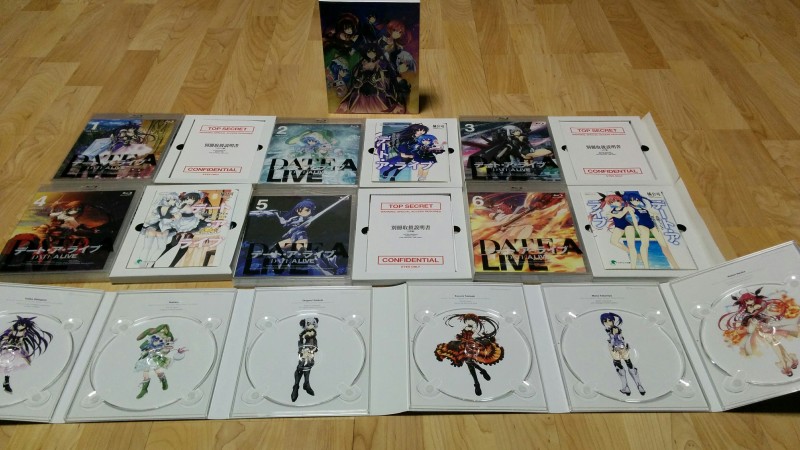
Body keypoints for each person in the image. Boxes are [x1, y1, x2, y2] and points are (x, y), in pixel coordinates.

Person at [719, 288, 800, 376]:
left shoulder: (760, 307)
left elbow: (768, 315)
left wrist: (768, 313)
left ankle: (786, 361)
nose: (749, 301)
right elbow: (749, 329)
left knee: (777, 344)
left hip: (769, 328)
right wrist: (752, 322)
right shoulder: (746, 313)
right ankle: (786, 362)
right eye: (747, 300)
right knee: (775, 345)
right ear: (744, 302)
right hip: (762, 332)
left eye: (751, 299)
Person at [434, 313, 504, 396]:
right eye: (467, 320)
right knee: (468, 362)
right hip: (463, 345)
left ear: (475, 321)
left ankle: (477, 382)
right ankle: (480, 374)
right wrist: (458, 338)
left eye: (471, 320)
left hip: (471, 345)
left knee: (469, 362)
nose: (469, 322)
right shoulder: (464, 327)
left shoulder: (474, 328)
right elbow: (461, 336)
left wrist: (482, 338)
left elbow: (477, 335)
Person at [0, 316, 53, 393]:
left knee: (10, 367)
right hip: (6, 350)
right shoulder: (12, 330)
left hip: (15, 351)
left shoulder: (23, 333)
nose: (20, 326)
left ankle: (6, 383)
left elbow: (20, 342)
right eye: (19, 324)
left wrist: (17, 345)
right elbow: (5, 338)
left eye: (23, 325)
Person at [134, 324, 187, 399]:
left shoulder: (166, 340)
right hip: (147, 357)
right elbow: (144, 345)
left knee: (158, 372)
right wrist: (147, 349)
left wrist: (161, 350)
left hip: (156, 358)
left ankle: (164, 382)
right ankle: (144, 389)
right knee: (145, 373)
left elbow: (166, 350)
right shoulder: (152, 338)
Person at [600, 312, 645, 396]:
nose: (607, 322)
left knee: (619, 365)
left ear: (613, 320)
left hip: (615, 348)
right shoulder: (613, 329)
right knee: (628, 364)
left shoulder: (614, 329)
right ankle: (638, 387)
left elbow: (616, 338)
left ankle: (627, 387)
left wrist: (615, 345)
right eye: (605, 321)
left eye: (609, 320)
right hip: (622, 347)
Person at [291, 317, 319, 402]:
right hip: (304, 353)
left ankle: (306, 384)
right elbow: (301, 343)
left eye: (313, 323)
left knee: (308, 367)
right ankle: (296, 386)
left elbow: (315, 344)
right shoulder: (303, 334)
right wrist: (302, 351)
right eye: (309, 324)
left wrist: (314, 349)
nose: (312, 326)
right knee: (300, 368)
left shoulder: (313, 334)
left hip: (310, 352)